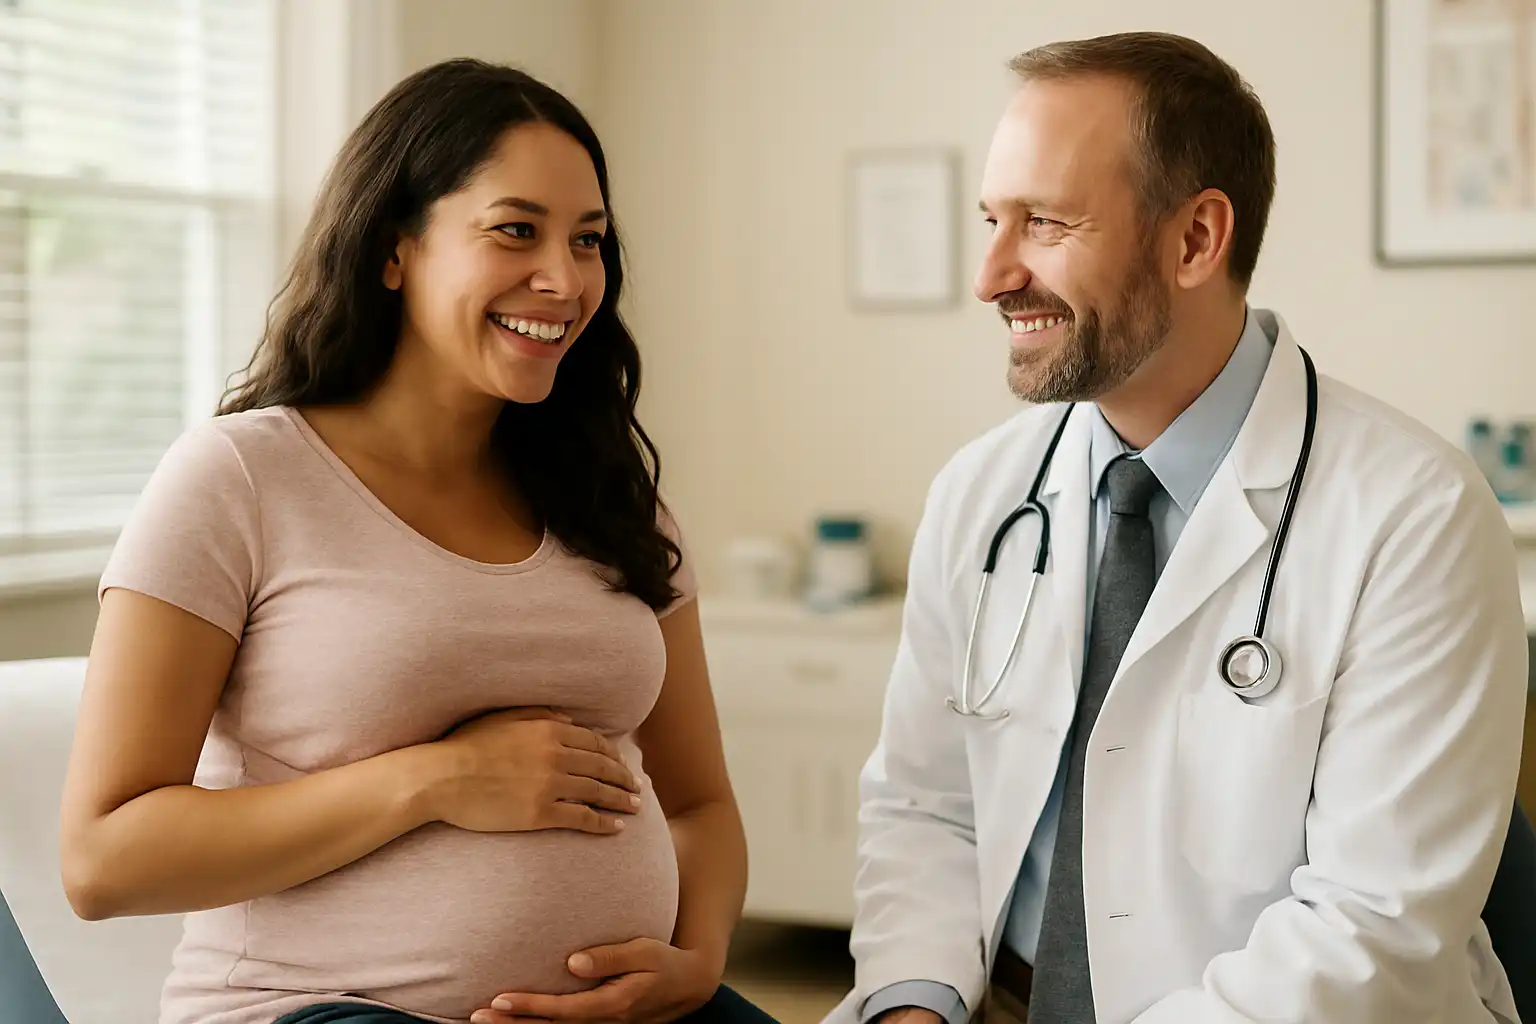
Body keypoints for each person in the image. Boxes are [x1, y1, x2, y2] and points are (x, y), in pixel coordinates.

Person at [825, 32, 1527, 1024]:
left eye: (1046, 224)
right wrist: (913, 1008)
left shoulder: (1418, 517)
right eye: (992, 219)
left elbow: (1374, 929)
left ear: (1196, 240)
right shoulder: (979, 495)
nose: (989, 275)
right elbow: (924, 807)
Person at [58, 59, 772, 1024]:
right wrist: (435, 781)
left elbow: (700, 807)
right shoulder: (240, 478)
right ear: (396, 247)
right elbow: (104, 862)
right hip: (319, 1010)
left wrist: (695, 958)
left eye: (589, 241)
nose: (565, 281)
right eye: (516, 230)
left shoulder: (613, 497)